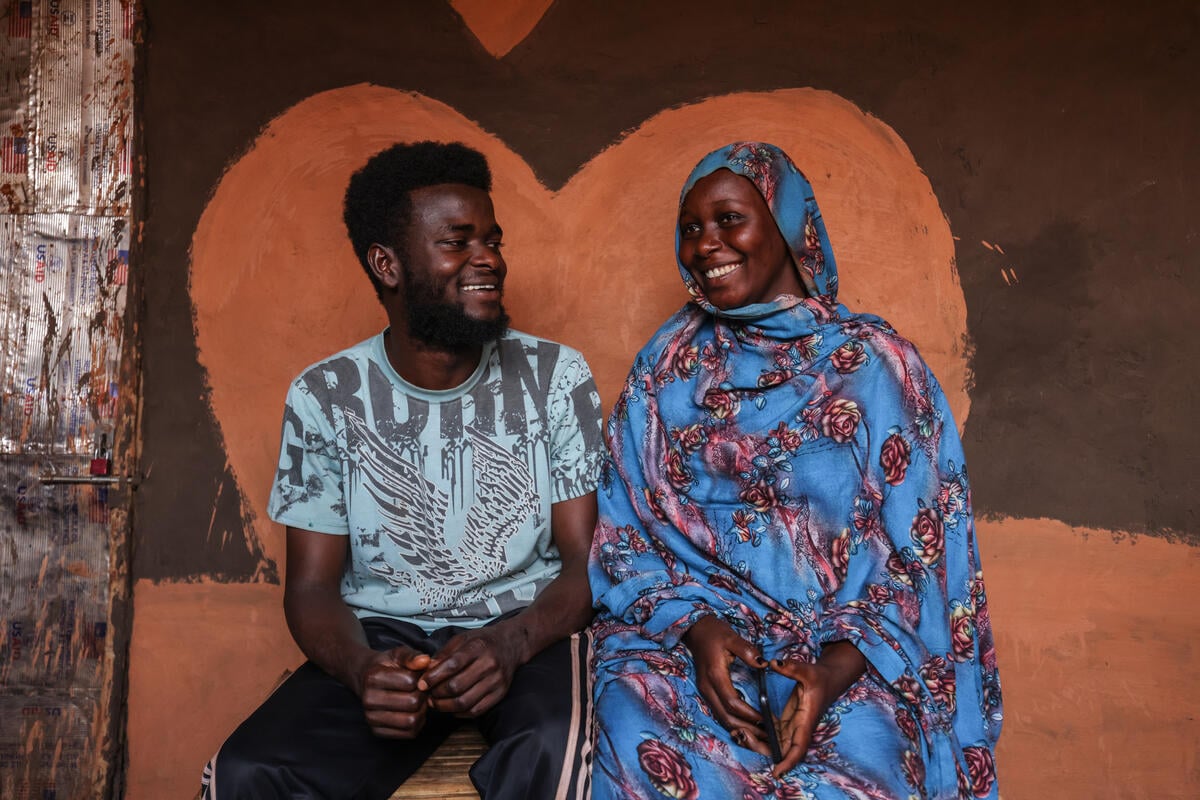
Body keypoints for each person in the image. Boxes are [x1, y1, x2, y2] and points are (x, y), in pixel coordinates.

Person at [588, 142, 1002, 799]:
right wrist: (698, 631)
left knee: (871, 763)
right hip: (692, 644)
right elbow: (621, 530)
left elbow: (918, 555)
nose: (706, 244)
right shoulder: (667, 366)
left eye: (730, 219)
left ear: (785, 225)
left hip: (847, 657)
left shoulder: (875, 367)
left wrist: (828, 675)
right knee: (630, 716)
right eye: (691, 228)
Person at [202, 141, 604, 800]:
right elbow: (311, 589)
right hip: (384, 638)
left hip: (526, 625)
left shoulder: (556, 377)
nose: (489, 259)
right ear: (386, 264)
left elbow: (586, 562)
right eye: (457, 242)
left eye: (492, 241)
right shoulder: (326, 396)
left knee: (558, 751)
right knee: (246, 773)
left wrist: (511, 643)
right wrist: (363, 670)